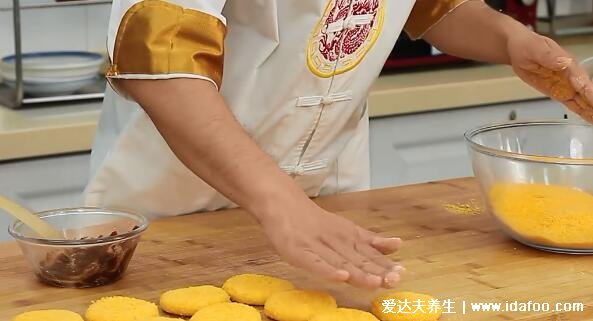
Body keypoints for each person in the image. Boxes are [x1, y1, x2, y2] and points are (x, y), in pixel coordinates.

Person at [86, 0, 593, 290]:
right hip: (171, 206)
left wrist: (506, 37)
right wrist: (281, 203)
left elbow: (424, 5)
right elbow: (160, 63)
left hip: (328, 205)